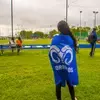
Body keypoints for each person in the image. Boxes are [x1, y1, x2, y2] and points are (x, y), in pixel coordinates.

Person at [49, 20, 79, 100]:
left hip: (58, 65)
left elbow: (51, 51)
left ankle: (58, 99)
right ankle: (73, 98)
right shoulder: (70, 39)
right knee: (69, 82)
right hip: (68, 65)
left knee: (58, 82)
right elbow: (72, 53)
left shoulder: (55, 39)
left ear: (58, 29)